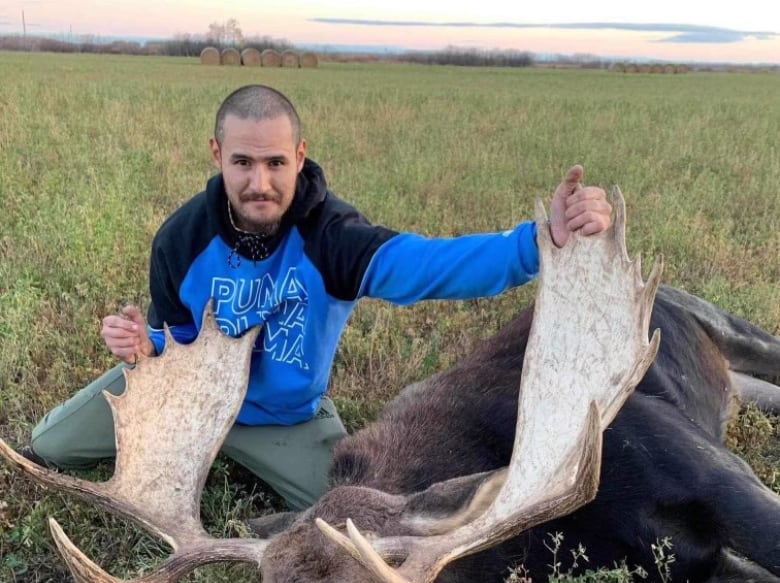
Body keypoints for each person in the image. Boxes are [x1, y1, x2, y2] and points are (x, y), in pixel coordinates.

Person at [24, 84, 612, 510]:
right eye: (244, 163)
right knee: (50, 445)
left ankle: (242, 456)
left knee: (359, 519)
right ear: (216, 156)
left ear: (299, 156)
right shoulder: (181, 240)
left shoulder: (333, 238)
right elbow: (169, 344)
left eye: (276, 163)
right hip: (187, 401)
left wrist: (538, 242)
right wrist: (138, 345)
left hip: (283, 417)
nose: (261, 183)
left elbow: (432, 265)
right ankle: (198, 450)